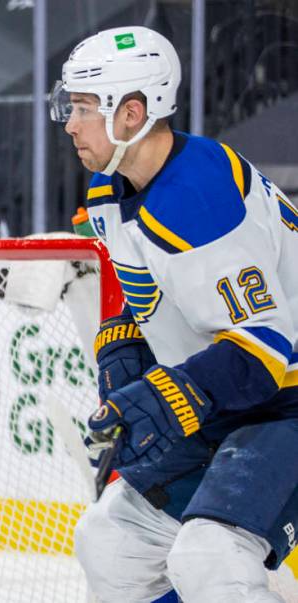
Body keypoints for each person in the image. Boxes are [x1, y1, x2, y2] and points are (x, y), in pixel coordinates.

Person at [50, 26, 298, 602]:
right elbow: (152, 294)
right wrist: (121, 351)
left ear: (131, 114)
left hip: (284, 400)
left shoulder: (199, 195)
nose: (69, 122)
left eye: (83, 107)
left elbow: (265, 349)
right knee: (109, 540)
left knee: (210, 557)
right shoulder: (108, 191)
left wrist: (164, 397)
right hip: (232, 398)